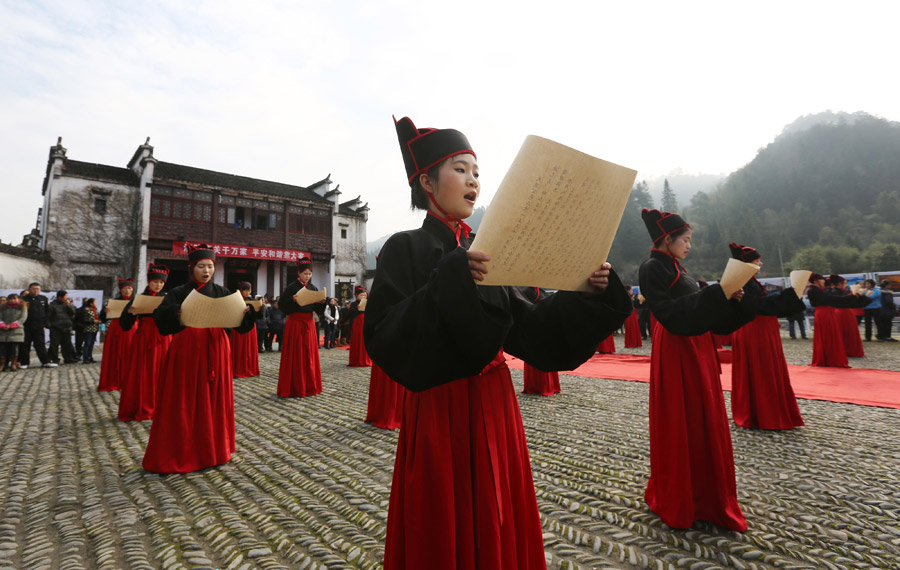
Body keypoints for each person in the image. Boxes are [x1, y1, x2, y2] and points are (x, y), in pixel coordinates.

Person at [364, 116, 631, 569]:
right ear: (426, 181)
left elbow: (532, 332)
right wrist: (449, 278)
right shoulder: (404, 248)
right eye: (461, 169)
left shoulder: (487, 250)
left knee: (497, 514)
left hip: (495, 401)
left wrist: (586, 293)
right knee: (444, 522)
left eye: (477, 172)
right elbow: (386, 334)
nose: (473, 181)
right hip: (441, 407)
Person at [638, 209, 755, 532]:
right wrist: (715, 293)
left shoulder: (678, 267)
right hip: (677, 347)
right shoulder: (652, 267)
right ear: (667, 239)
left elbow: (702, 309)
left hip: (696, 346)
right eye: (685, 240)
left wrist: (729, 298)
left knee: (705, 418)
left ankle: (707, 494)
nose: (689, 245)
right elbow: (668, 312)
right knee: (683, 417)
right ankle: (683, 495)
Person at [142, 244, 255, 473]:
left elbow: (239, 327)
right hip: (188, 349)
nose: (206, 271)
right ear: (191, 267)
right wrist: (175, 312)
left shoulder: (224, 292)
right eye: (201, 266)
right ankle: (184, 448)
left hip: (217, 348)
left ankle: (214, 447)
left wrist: (249, 314)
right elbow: (160, 320)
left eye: (210, 266)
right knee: (185, 397)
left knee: (215, 397)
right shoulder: (177, 292)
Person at [726, 243, 805, 430]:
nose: (760, 263)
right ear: (747, 263)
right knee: (761, 368)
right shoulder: (742, 281)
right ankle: (763, 412)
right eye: (757, 260)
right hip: (754, 329)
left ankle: (764, 410)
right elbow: (756, 304)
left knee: (765, 368)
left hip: (760, 328)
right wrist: (789, 295)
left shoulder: (749, 280)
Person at [118, 264, 173, 421]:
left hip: (163, 339)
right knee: (142, 373)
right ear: (149, 282)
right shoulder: (138, 298)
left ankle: (163, 407)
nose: (158, 285)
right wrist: (129, 312)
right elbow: (125, 324)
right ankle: (140, 406)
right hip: (143, 339)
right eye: (155, 282)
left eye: (161, 283)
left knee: (163, 373)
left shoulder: (168, 298)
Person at [277, 257, 324, 398]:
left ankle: (309, 385)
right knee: (295, 354)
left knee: (309, 354)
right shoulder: (291, 288)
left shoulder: (312, 287)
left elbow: (318, 310)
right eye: (305, 274)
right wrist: (293, 300)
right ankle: (294, 386)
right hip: (295, 323)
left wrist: (321, 302)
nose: (307, 277)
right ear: (298, 273)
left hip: (309, 323)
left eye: (310, 274)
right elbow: (282, 307)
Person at [807, 274, 870, 367]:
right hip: (824, 314)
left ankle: (830, 357)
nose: (824, 281)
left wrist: (859, 299)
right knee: (828, 337)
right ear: (816, 280)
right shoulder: (813, 290)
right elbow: (831, 300)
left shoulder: (819, 290)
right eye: (822, 280)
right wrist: (852, 297)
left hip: (828, 313)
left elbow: (836, 300)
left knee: (831, 337)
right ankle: (828, 358)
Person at [519, 287, 562, 396]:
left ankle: (542, 385)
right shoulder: (528, 293)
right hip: (536, 330)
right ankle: (542, 385)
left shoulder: (532, 292)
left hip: (541, 329)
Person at [98, 278, 138, 391]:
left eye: (129, 288)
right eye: (125, 288)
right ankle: (113, 380)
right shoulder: (113, 301)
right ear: (120, 290)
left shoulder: (136, 301)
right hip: (115, 329)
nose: (127, 290)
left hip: (132, 330)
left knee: (130, 355)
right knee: (114, 355)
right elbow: (103, 319)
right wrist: (104, 312)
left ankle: (129, 381)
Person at [828, 275, 866, 358]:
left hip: (847, 312)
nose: (845, 284)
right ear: (839, 283)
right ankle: (845, 350)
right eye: (844, 283)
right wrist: (852, 297)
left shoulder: (843, 291)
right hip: (841, 313)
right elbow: (840, 300)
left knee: (850, 332)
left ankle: (850, 350)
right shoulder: (834, 291)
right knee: (844, 332)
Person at [19, 282, 55, 369]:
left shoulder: (43, 298)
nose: (36, 291)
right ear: (29, 289)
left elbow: (47, 312)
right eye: (34, 289)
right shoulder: (23, 299)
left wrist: (45, 324)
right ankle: (24, 363)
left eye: (38, 289)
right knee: (25, 345)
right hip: (26, 326)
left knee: (40, 344)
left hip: (39, 326)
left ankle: (45, 362)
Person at [231, 282, 260, 378]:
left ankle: (250, 368)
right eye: (246, 290)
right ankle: (237, 369)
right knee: (238, 348)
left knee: (249, 349)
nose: (248, 292)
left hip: (250, 328)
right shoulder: (235, 300)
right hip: (238, 327)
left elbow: (258, 315)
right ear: (241, 290)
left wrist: (254, 309)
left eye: (249, 290)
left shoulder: (252, 300)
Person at [47, 290, 77, 364]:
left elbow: (73, 313)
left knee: (67, 344)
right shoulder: (52, 305)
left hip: (66, 327)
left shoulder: (67, 304)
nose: (66, 298)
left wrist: (69, 305)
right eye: (65, 296)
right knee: (54, 345)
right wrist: (50, 326)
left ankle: (68, 358)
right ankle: (54, 359)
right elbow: (48, 317)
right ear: (60, 297)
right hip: (55, 328)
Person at [0, 294, 28, 371]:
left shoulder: (22, 307)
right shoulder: (2, 307)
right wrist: (2, 325)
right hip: (3, 331)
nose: (12, 300)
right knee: (2, 349)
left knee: (14, 349)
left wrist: (12, 325)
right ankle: (2, 364)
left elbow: (23, 318)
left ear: (18, 299)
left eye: (14, 298)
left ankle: (13, 364)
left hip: (16, 331)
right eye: (10, 299)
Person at [347, 286, 371, 367]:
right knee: (358, 340)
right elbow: (350, 314)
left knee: (366, 341)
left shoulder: (369, 302)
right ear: (356, 295)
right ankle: (357, 359)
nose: (363, 297)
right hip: (358, 324)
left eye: (365, 295)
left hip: (366, 323)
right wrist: (357, 309)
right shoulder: (354, 304)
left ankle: (366, 359)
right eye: (361, 295)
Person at [82, 298, 101, 363]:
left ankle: (90, 357)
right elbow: (84, 319)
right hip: (88, 329)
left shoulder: (95, 309)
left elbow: (98, 316)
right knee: (87, 343)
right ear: (91, 303)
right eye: (95, 302)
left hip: (95, 329)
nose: (96, 303)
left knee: (92, 344)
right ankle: (85, 358)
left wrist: (99, 320)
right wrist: (92, 321)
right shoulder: (86, 310)